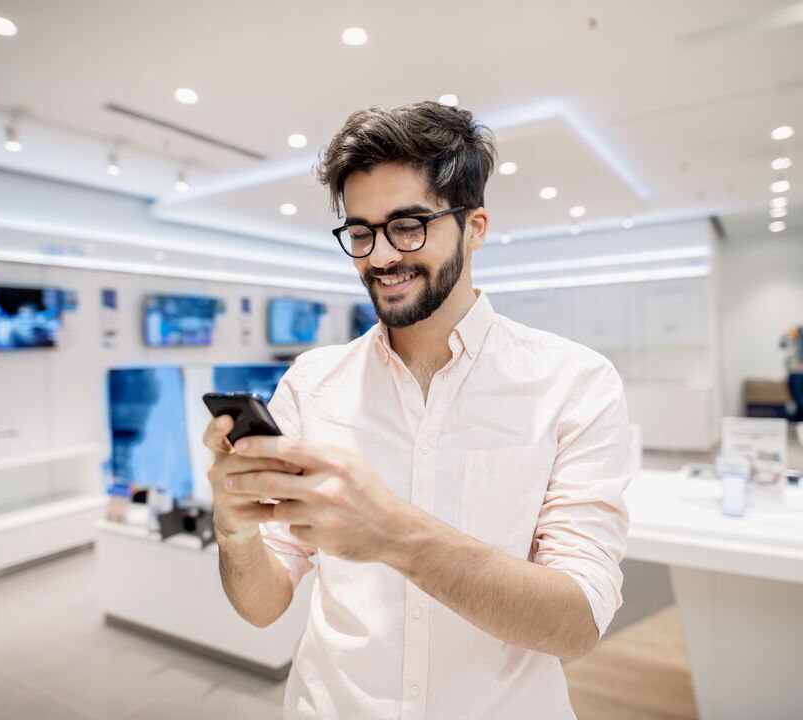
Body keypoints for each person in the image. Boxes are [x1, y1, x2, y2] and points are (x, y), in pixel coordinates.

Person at [202, 101, 630, 719]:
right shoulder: (312, 384)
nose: (379, 256)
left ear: (475, 227)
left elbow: (578, 624)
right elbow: (263, 604)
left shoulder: (574, 383)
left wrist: (395, 534)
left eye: (408, 225)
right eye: (361, 232)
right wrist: (235, 528)